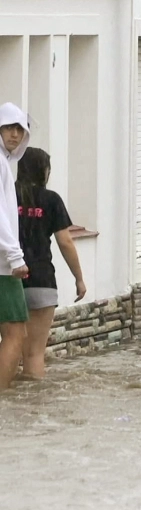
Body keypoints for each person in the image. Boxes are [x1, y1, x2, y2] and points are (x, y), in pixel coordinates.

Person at [14, 148, 87, 379]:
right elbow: (65, 242)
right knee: (34, 354)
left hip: (7, 279)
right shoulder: (51, 200)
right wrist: (79, 278)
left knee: (10, 346)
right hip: (41, 280)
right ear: (43, 172)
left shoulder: (6, 194)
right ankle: (35, 408)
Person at [0, 102, 31, 391]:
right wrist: (14, 256)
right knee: (16, 331)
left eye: (19, 129)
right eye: (8, 127)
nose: (14, 134)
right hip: (3, 267)